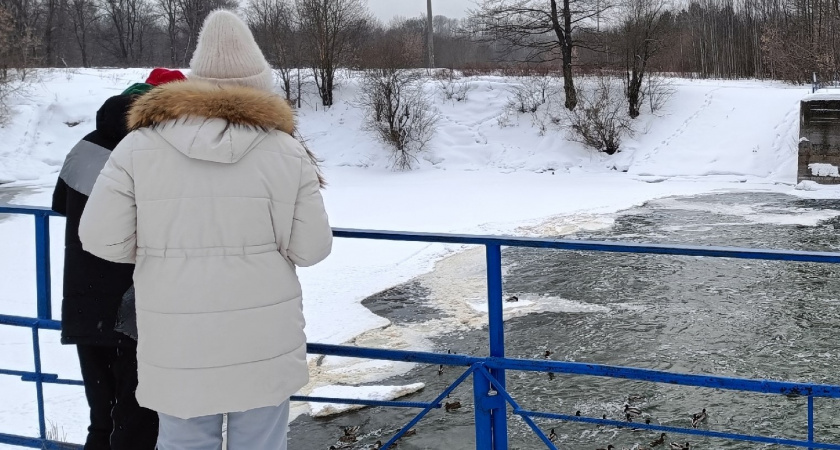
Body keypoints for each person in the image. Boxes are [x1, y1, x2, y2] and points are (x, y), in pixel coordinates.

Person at [78, 9, 333, 450]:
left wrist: (159, 249)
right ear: (260, 85)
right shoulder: (285, 151)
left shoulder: (138, 146)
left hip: (176, 342)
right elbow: (312, 248)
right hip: (263, 342)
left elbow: (100, 238)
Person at [52, 67, 186, 450]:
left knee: (102, 419)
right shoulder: (153, 150)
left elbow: (60, 204)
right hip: (133, 308)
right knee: (137, 421)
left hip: (83, 302)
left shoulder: (85, 145)